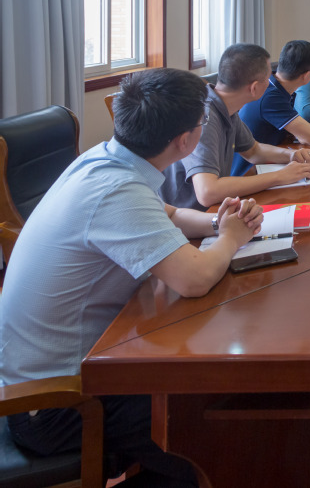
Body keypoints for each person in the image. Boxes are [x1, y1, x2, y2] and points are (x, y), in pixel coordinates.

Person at [0, 68, 265, 487]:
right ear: (185, 141)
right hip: (54, 403)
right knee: (207, 412)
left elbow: (168, 214)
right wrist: (232, 238)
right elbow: (194, 279)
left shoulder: (105, 159)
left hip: (70, 369)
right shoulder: (116, 191)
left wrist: (219, 223)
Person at [161, 43, 310, 211]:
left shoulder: (225, 107)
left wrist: (291, 155)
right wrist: (279, 176)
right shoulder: (204, 117)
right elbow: (207, 192)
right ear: (254, 88)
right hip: (191, 216)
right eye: (267, 79)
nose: (270, 82)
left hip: (216, 209)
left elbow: (254, 151)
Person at [232, 39, 310, 176]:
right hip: (248, 173)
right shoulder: (271, 96)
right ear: (306, 75)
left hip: (267, 161)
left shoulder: (273, 85)